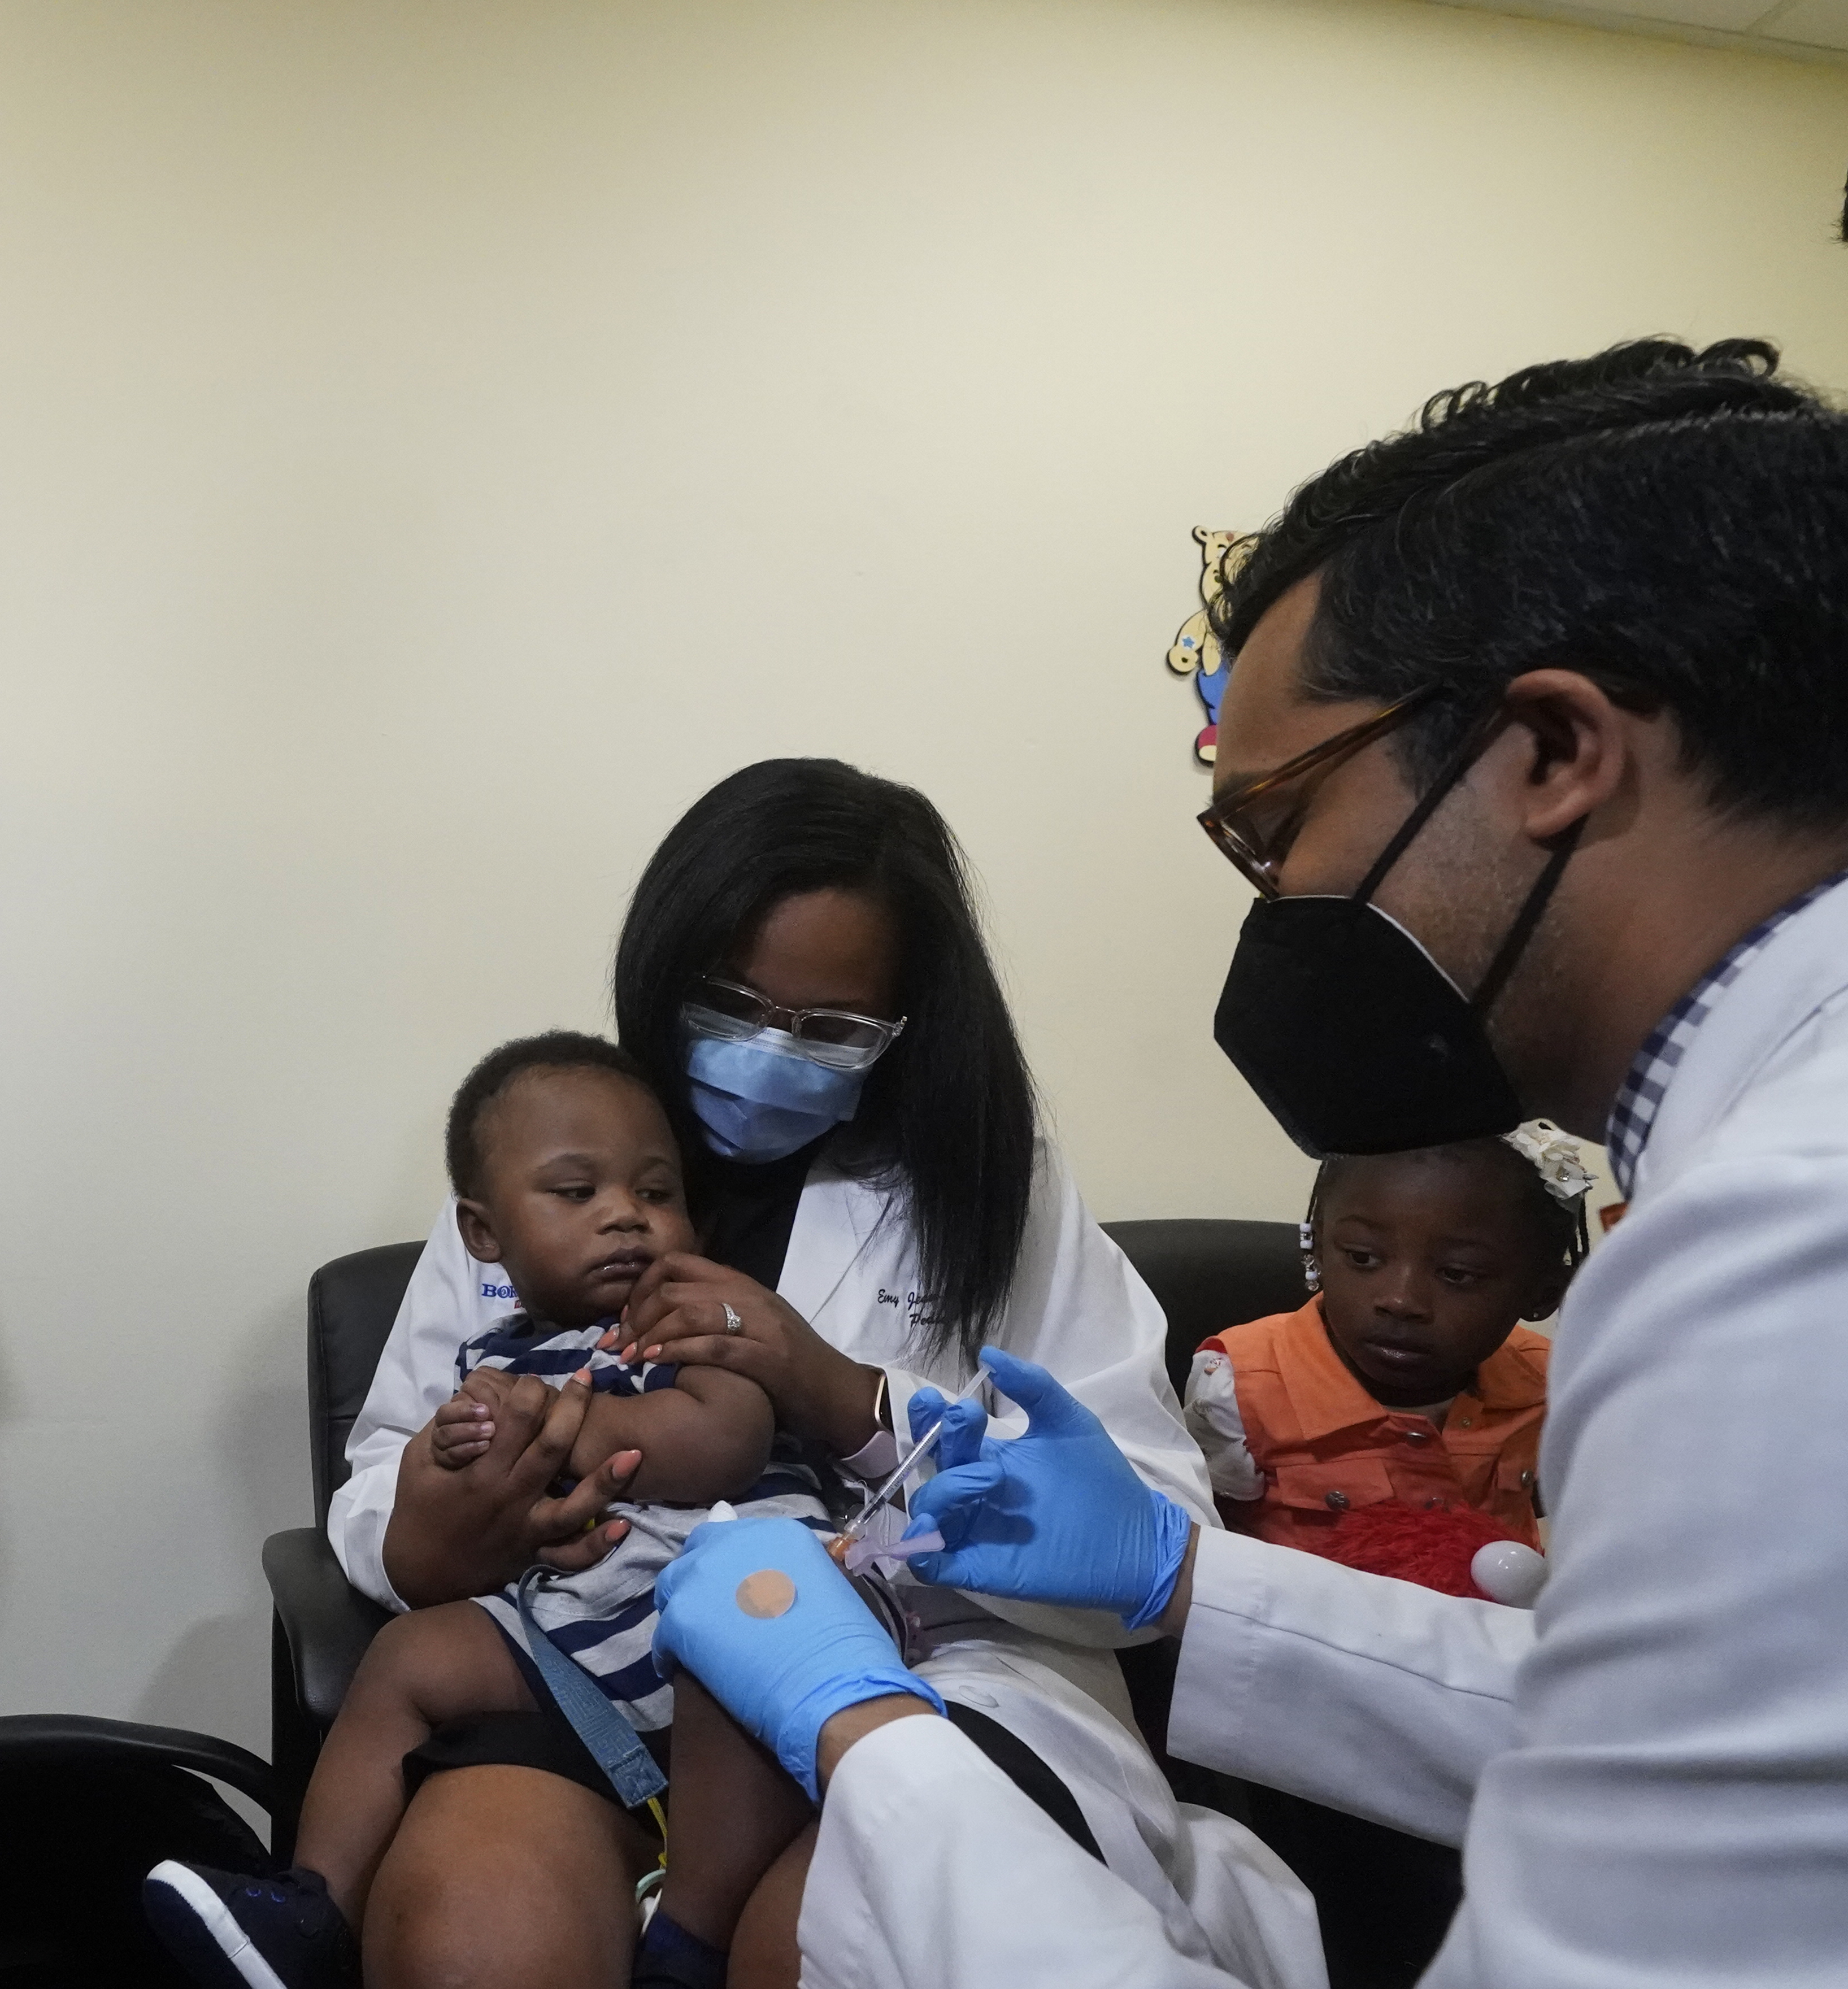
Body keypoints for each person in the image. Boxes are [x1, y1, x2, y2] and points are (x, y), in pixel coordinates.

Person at [653, 337, 1848, 1986]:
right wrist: (1171, 1583)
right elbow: (1668, 1749)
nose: (1267, 900)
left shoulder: (1780, 1249)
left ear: (1554, 753)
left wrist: (872, 1743)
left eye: (1273, 823)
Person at [327, 762, 1317, 1989]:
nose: (768, 1054)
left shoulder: (989, 1185)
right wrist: (443, 1516)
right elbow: (384, 1471)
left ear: (904, 1022)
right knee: (476, 1934)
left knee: (815, 1937)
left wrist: (840, 1395)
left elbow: (1157, 1526)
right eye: (732, 1003)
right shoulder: (549, 1151)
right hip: (582, 1656)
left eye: (832, 1028)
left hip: (922, 1672)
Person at [148, 1034, 845, 1988]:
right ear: (483, 1234)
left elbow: (728, 1440)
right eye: (576, 1193)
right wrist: (459, 1458)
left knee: (752, 1655)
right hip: (577, 1638)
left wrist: (573, 1425)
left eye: (655, 1192)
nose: (625, 1219)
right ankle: (310, 1909)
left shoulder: (690, 1316)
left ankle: (691, 1939)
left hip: (727, 1622)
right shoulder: (496, 1354)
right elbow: (429, 1492)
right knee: (412, 1655)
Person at [1185, 1124, 1584, 1561]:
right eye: (1362, 1257)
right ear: (1316, 1245)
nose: (1400, 1300)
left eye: (1457, 1273)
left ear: (1542, 1293)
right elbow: (1212, 1539)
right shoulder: (1238, 1387)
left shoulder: (1550, 1382)